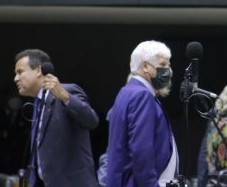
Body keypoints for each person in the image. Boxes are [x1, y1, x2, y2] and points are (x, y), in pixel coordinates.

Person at [13, 48, 99, 187]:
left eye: (20, 72)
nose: (16, 78)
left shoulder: (68, 91)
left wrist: (65, 96)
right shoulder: (37, 102)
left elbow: (92, 120)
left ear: (38, 71)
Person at [105, 40, 178, 187]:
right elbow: (141, 150)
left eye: (169, 66)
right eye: (163, 65)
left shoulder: (126, 91)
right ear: (145, 66)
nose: (168, 71)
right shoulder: (142, 95)